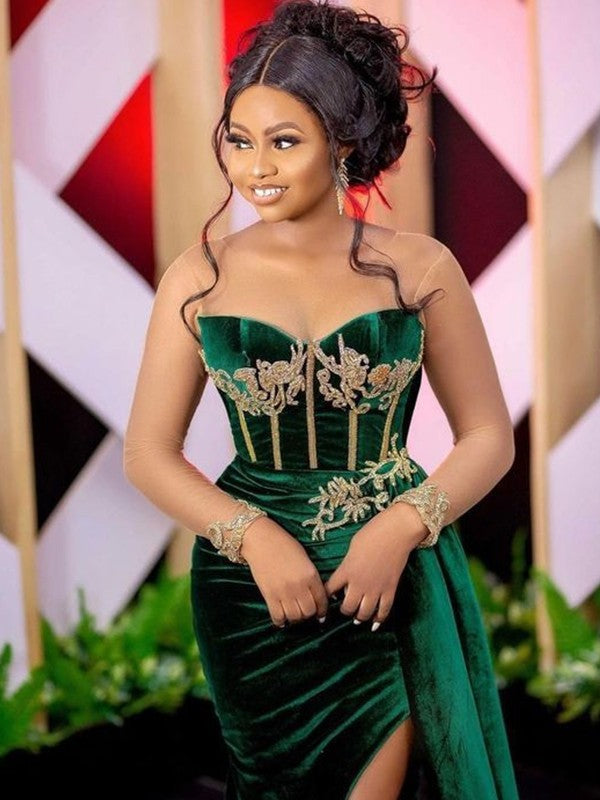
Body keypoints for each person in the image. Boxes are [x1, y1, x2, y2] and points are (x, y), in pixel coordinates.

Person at [123, 1, 520, 797]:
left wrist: (400, 528)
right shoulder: (198, 278)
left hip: (387, 584)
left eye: (283, 142)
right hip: (251, 597)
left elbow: (488, 436)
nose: (254, 168)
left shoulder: (421, 268)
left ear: (341, 142)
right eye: (239, 140)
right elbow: (147, 455)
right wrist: (254, 539)